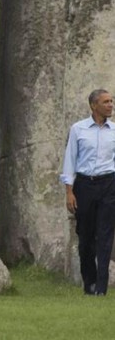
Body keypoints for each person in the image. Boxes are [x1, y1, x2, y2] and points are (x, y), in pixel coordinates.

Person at [62, 89, 115, 295]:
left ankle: (100, 288)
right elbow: (70, 160)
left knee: (105, 236)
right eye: (106, 102)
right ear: (94, 106)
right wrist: (69, 191)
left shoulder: (114, 131)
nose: (110, 105)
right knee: (85, 237)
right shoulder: (78, 129)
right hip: (84, 185)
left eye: (111, 101)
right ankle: (89, 282)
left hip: (109, 184)